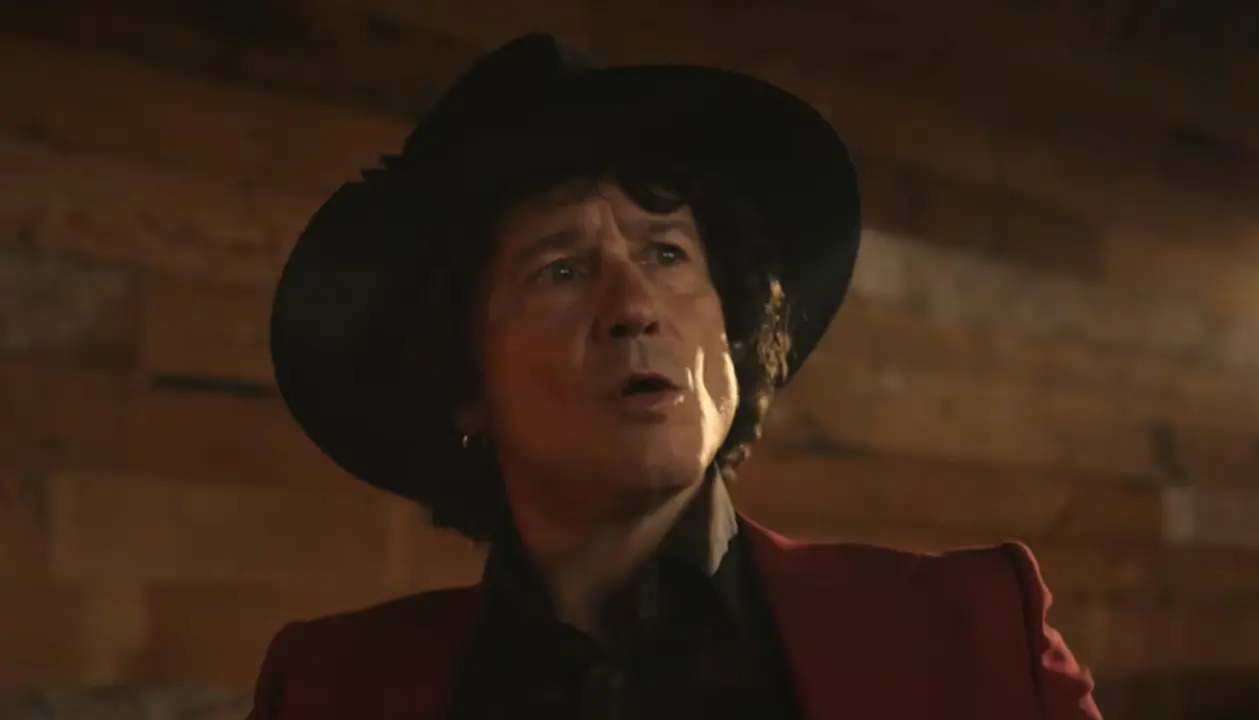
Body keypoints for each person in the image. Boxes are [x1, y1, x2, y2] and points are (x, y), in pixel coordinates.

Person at [250, 34, 1103, 720]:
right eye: (560, 270)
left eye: (666, 254)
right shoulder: (329, 690)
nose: (635, 307)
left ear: (731, 327)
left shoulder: (964, 632)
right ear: (462, 380)